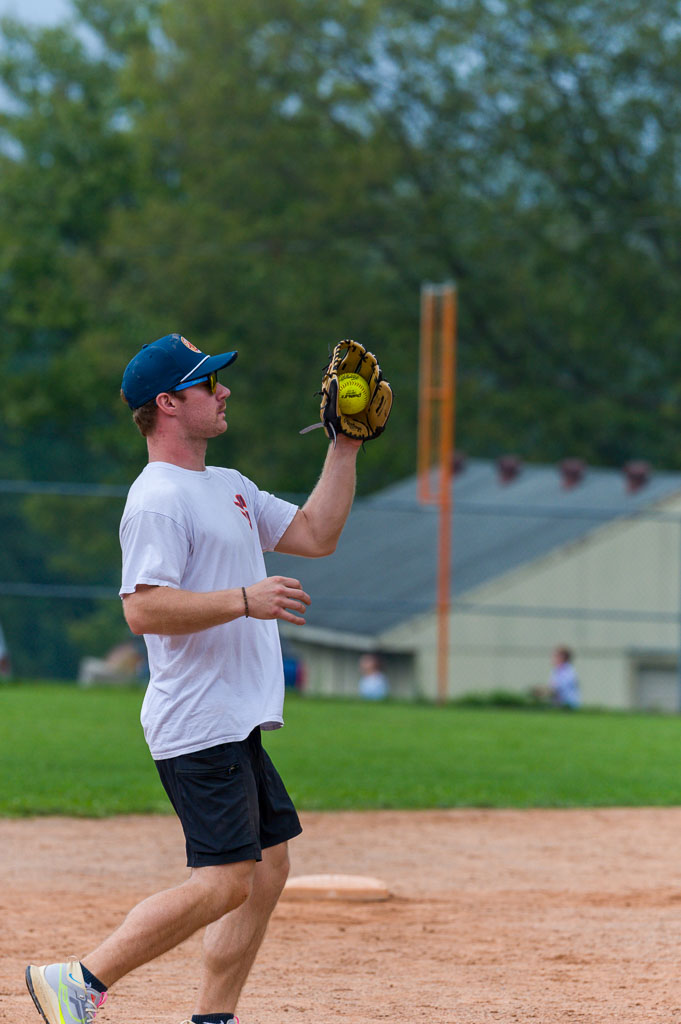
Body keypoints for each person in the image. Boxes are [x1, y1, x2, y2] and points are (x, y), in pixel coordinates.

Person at [25, 332, 368, 1024]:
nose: (223, 390)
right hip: (197, 720)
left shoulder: (226, 487)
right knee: (221, 883)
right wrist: (245, 599)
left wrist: (345, 445)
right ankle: (79, 982)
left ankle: (214, 1016)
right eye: (207, 382)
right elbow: (143, 608)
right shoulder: (157, 498)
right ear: (168, 404)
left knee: (265, 873)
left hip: (233, 715)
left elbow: (315, 533)